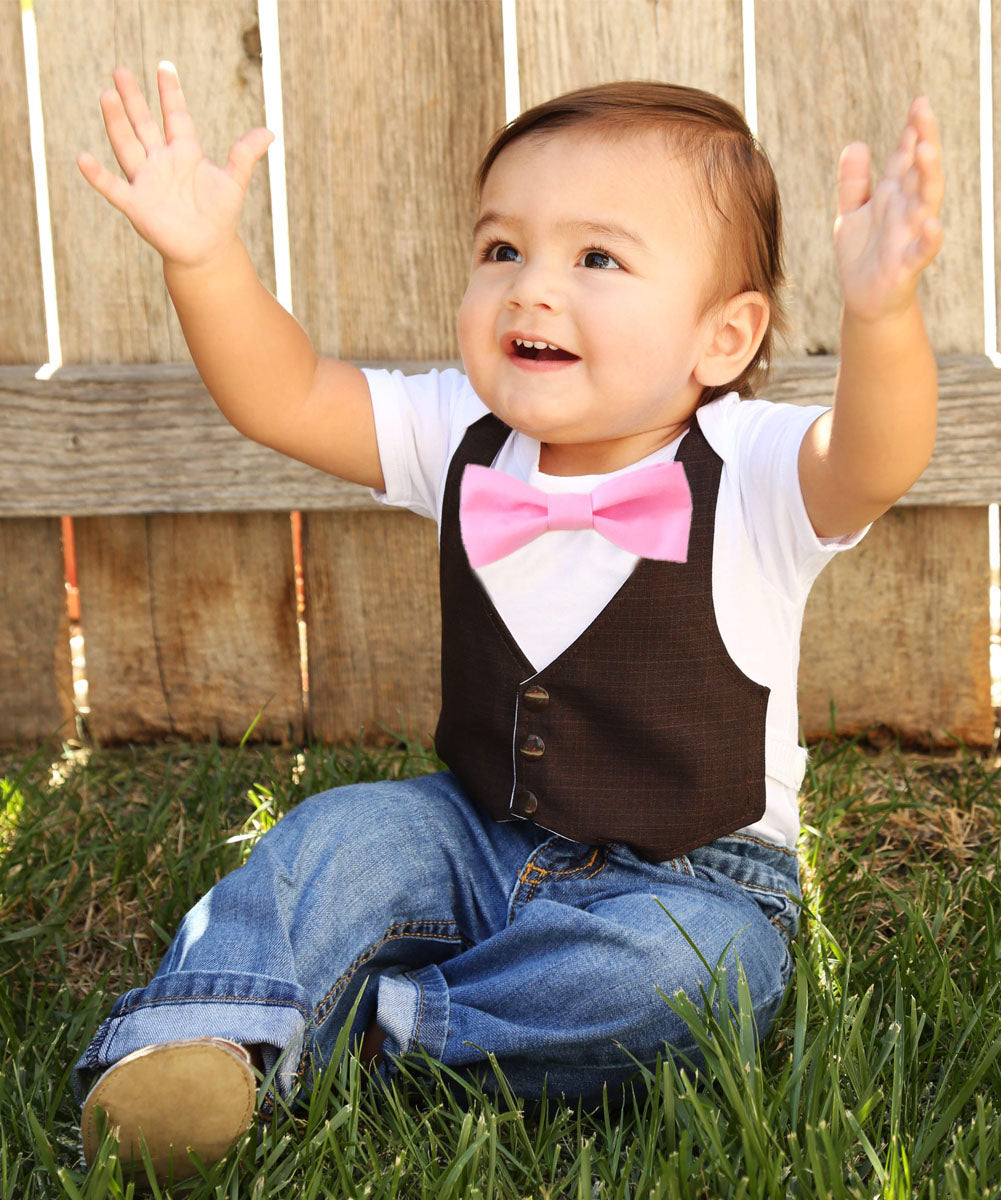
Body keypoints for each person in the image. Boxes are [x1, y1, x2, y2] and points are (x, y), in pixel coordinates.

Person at [73, 65, 943, 1182]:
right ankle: (189, 1040)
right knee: (335, 840)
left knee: (691, 976)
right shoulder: (462, 431)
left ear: (720, 339)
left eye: (595, 258)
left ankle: (388, 1037)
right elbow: (284, 395)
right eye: (501, 250)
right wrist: (201, 261)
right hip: (475, 830)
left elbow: (877, 455)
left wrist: (882, 317)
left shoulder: (757, 468)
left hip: (691, 876)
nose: (530, 289)